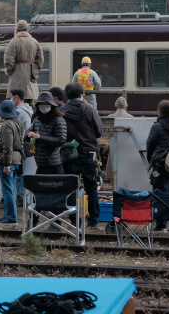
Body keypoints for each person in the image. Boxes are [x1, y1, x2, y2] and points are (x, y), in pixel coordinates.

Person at [59, 82, 104, 229]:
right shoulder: (90, 110)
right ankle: (93, 221)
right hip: (89, 154)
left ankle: (74, 220)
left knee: (71, 187)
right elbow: (99, 132)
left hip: (69, 154)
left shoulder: (61, 111)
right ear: (81, 95)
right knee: (92, 188)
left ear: (66, 95)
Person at [146, 100, 169, 233]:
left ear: (160, 111)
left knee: (160, 193)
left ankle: (161, 225)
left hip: (161, 164)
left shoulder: (157, 127)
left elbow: (150, 145)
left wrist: (151, 161)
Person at [0, 99, 25, 225]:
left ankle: (11, 216)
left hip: (8, 160)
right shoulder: (19, 123)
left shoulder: (7, 125)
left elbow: (7, 146)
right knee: (11, 189)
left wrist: (6, 164)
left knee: (7, 191)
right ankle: (8, 215)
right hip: (17, 159)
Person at [3, 20, 44, 105]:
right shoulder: (34, 41)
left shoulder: (13, 41)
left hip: (16, 76)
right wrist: (36, 69)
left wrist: (9, 70)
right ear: (27, 29)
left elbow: (8, 59)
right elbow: (40, 59)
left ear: (17, 30)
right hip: (30, 76)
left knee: (15, 100)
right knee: (30, 99)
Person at [26, 91, 67, 175]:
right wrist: (29, 135)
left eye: (46, 104)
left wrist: (40, 137)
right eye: (41, 104)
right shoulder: (37, 119)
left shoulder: (58, 120)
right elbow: (27, 133)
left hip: (53, 164)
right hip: (40, 163)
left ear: (52, 105)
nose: (44, 107)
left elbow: (61, 140)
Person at [10, 88, 32, 204]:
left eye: (11, 97)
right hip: (26, 144)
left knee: (18, 173)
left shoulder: (19, 112)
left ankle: (19, 196)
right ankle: (21, 196)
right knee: (21, 172)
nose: (10, 99)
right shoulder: (27, 110)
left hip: (19, 145)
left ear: (16, 97)